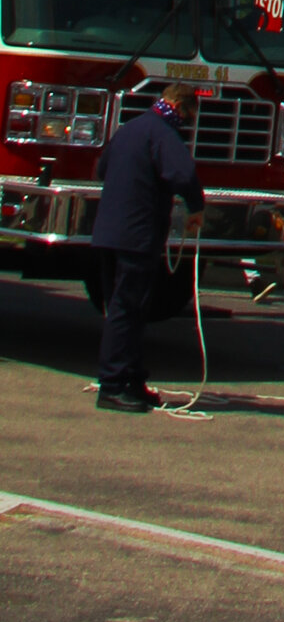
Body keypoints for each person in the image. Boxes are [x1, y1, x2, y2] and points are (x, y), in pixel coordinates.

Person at [91, 82, 201, 412]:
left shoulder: (129, 129)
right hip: (136, 235)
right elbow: (184, 174)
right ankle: (112, 383)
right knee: (129, 310)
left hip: (109, 231)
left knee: (125, 308)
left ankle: (132, 378)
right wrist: (196, 207)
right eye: (188, 116)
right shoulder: (163, 133)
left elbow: (102, 168)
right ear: (180, 108)